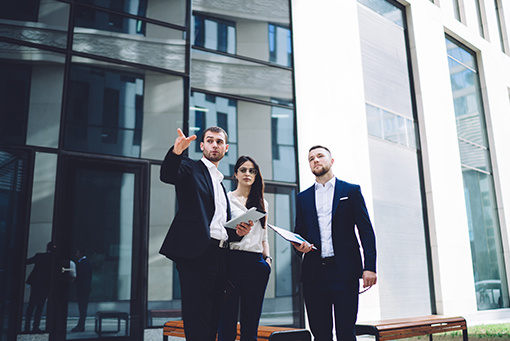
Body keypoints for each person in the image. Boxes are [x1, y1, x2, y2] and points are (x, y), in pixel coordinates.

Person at [159, 127, 252, 341]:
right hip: (196, 254)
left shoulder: (221, 184)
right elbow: (167, 174)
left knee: (213, 319)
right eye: (209, 141)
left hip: (220, 257)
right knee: (197, 319)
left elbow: (220, 227)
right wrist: (176, 152)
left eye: (219, 142)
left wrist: (238, 232)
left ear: (226, 148)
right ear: (202, 146)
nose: (214, 145)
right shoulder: (190, 168)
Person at [292, 145, 377, 341]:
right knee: (320, 334)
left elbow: (366, 232)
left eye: (320, 156)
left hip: (344, 272)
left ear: (331, 161)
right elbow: (300, 234)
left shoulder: (351, 191)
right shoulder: (303, 198)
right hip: (314, 273)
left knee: (346, 332)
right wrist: (300, 247)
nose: (315, 160)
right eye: (311, 158)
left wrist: (369, 267)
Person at [218, 156, 272, 341]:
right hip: (232, 261)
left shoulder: (263, 203)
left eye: (252, 171)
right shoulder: (226, 199)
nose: (247, 174)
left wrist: (268, 260)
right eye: (243, 170)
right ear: (236, 174)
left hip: (256, 262)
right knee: (227, 319)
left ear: (256, 176)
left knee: (251, 322)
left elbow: (264, 236)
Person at [25, 241, 54, 332]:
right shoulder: (54, 259)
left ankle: (27, 326)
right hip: (46, 285)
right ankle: (35, 326)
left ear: (47, 248)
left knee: (31, 305)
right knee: (40, 306)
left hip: (36, 283)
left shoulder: (39, 256)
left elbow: (27, 261)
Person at [72, 247, 92, 332]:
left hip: (82, 288)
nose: (76, 255)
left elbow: (79, 276)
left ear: (80, 254)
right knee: (83, 308)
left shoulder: (81, 263)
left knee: (82, 308)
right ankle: (81, 325)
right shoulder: (87, 263)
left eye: (77, 253)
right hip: (86, 288)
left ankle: (80, 326)